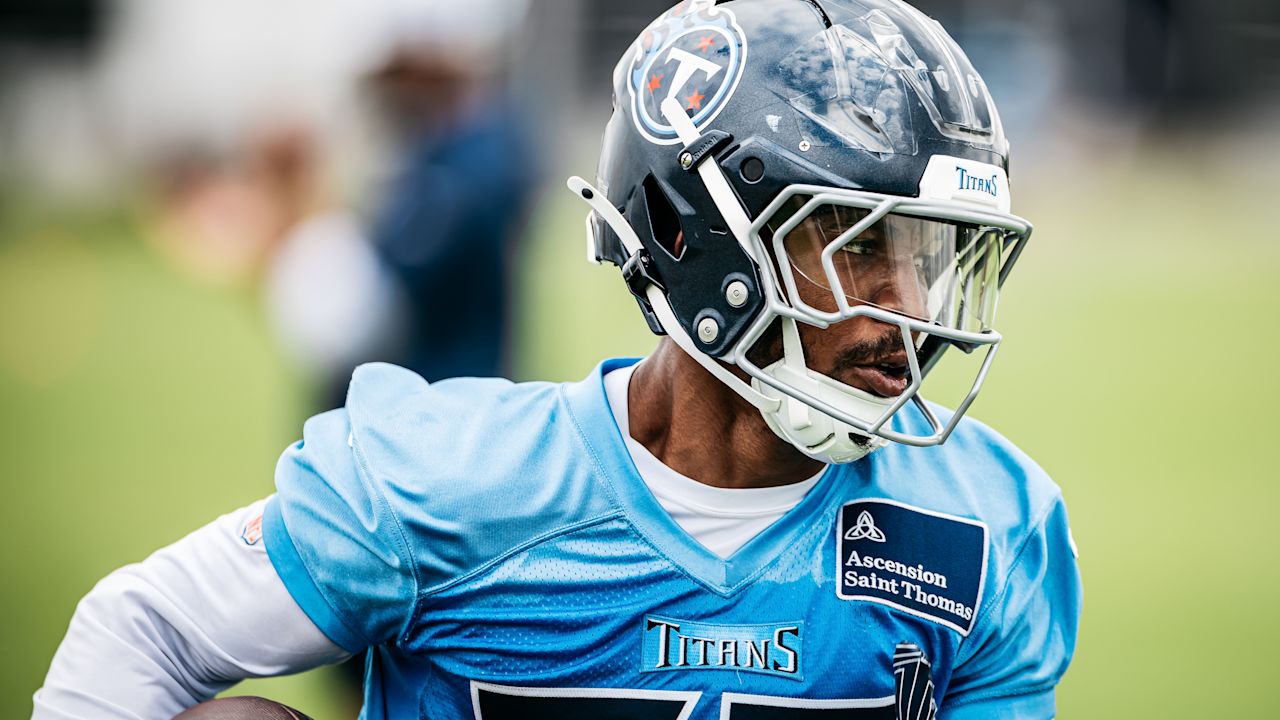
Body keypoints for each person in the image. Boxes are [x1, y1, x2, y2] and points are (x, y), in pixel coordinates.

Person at [33, 1, 1081, 719]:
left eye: (931, 253)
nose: (911, 311)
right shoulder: (441, 487)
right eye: (860, 245)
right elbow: (139, 634)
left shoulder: (985, 525)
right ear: (695, 236)